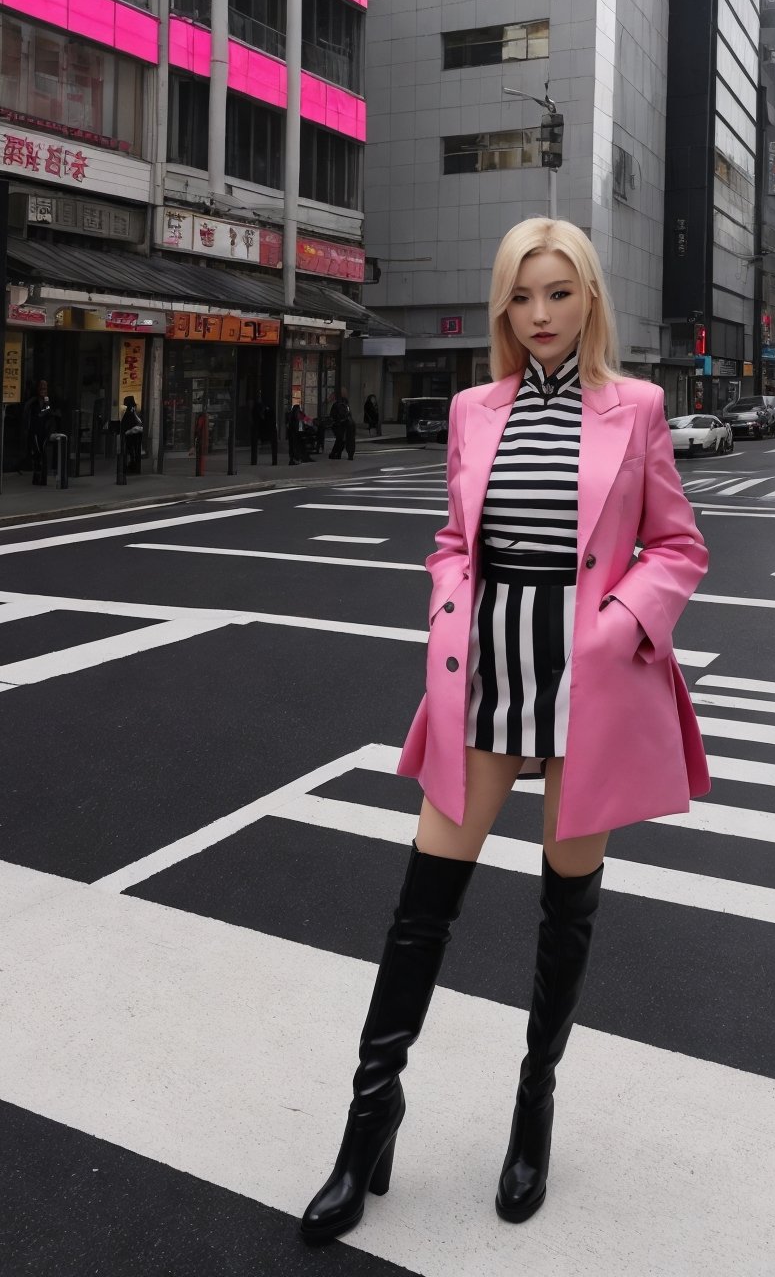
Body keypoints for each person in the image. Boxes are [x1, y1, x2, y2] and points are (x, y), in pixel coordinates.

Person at [300, 218, 710, 1245]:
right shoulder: (473, 410)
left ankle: (535, 1105)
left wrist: (619, 627)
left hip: (591, 680)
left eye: (558, 294)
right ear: (502, 304)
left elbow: (677, 547)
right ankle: (367, 1121)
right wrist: (447, 604)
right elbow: (451, 540)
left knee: (562, 912)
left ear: (588, 299)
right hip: (484, 672)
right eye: (522, 297)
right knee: (420, 905)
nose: (539, 316)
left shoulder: (637, 408)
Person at [23, 379, 55, 485]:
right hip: (35, 430)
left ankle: (43, 478)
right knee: (37, 453)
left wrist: (46, 402)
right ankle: (37, 477)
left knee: (44, 454)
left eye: (45, 388)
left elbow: (48, 411)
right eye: (41, 387)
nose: (43, 390)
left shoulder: (47, 401)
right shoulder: (33, 401)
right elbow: (27, 410)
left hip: (44, 431)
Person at [328, 389, 356, 460]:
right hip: (348, 424)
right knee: (348, 440)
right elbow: (349, 414)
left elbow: (332, 415)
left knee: (340, 439)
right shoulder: (346, 404)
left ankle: (336, 453)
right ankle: (349, 455)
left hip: (340, 425)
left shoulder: (337, 404)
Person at [120, 395, 143, 472]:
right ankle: (133, 464)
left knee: (131, 449)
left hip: (132, 433)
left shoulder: (133, 411)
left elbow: (138, 421)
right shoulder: (130, 410)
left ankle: (133, 464)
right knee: (132, 450)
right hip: (133, 433)